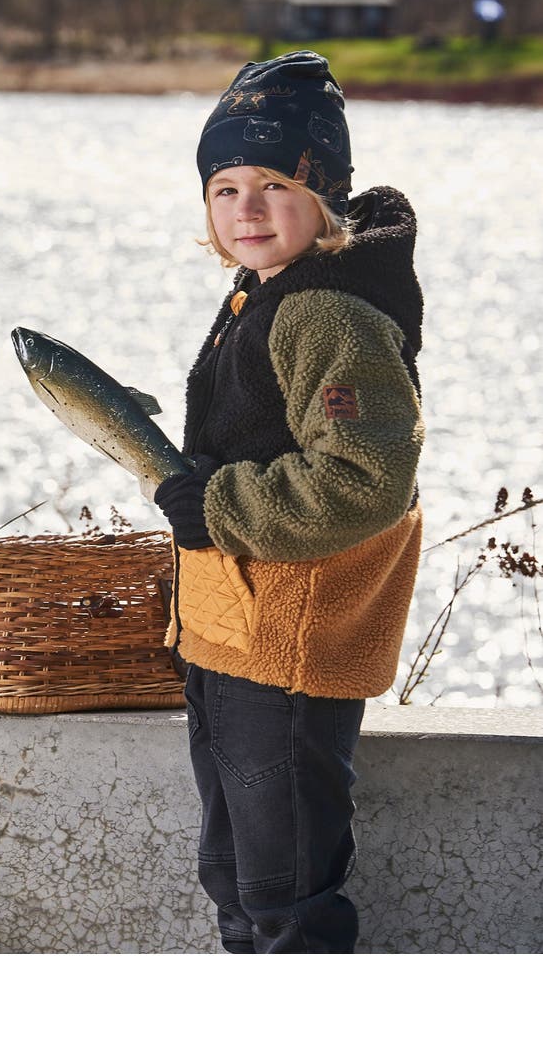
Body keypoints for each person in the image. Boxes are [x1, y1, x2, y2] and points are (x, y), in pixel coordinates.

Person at [154, 50, 425, 954]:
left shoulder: (329, 315)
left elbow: (365, 479)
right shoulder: (262, 291)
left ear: (326, 196)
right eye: (225, 188)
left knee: (287, 890)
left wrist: (217, 507)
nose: (247, 210)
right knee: (236, 876)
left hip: (291, 647)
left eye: (273, 184)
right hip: (240, 630)